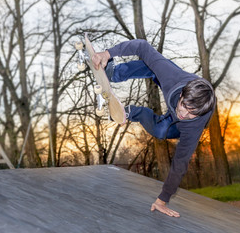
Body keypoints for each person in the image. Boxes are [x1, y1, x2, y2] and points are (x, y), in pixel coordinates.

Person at [92, 39, 216, 217]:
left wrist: (162, 200)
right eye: (184, 107)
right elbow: (142, 46)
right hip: (173, 81)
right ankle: (114, 71)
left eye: (191, 113)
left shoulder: (193, 124)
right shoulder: (171, 76)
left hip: (181, 128)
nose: (184, 114)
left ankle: (132, 112)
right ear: (181, 95)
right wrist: (108, 53)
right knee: (150, 66)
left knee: (160, 131)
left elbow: (180, 164)